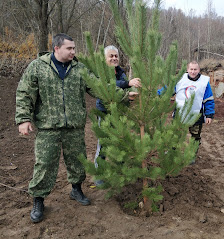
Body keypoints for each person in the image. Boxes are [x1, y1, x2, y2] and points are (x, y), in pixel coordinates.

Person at [15, 33, 93, 223]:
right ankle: (39, 200)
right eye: (69, 48)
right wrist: (24, 119)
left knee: (77, 160)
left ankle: (76, 189)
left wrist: (123, 91)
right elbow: (25, 93)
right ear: (57, 48)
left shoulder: (80, 69)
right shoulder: (38, 67)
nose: (73, 52)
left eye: (74, 48)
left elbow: (98, 87)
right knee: (45, 164)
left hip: (73, 126)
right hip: (48, 126)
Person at [94, 45, 141, 183]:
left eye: (116, 56)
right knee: (103, 144)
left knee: (121, 142)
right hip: (105, 112)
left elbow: (123, 89)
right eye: (111, 56)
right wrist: (127, 84)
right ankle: (99, 175)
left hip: (120, 112)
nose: (114, 58)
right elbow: (109, 86)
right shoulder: (101, 71)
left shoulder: (120, 71)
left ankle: (121, 171)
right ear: (105, 58)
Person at [174, 61, 215, 163]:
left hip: (196, 114)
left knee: (195, 136)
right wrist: (158, 94)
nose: (193, 72)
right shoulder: (180, 79)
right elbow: (169, 89)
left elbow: (208, 99)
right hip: (180, 113)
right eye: (191, 69)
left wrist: (209, 115)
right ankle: (173, 152)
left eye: (195, 69)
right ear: (187, 69)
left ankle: (192, 155)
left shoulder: (204, 82)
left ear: (199, 70)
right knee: (175, 134)